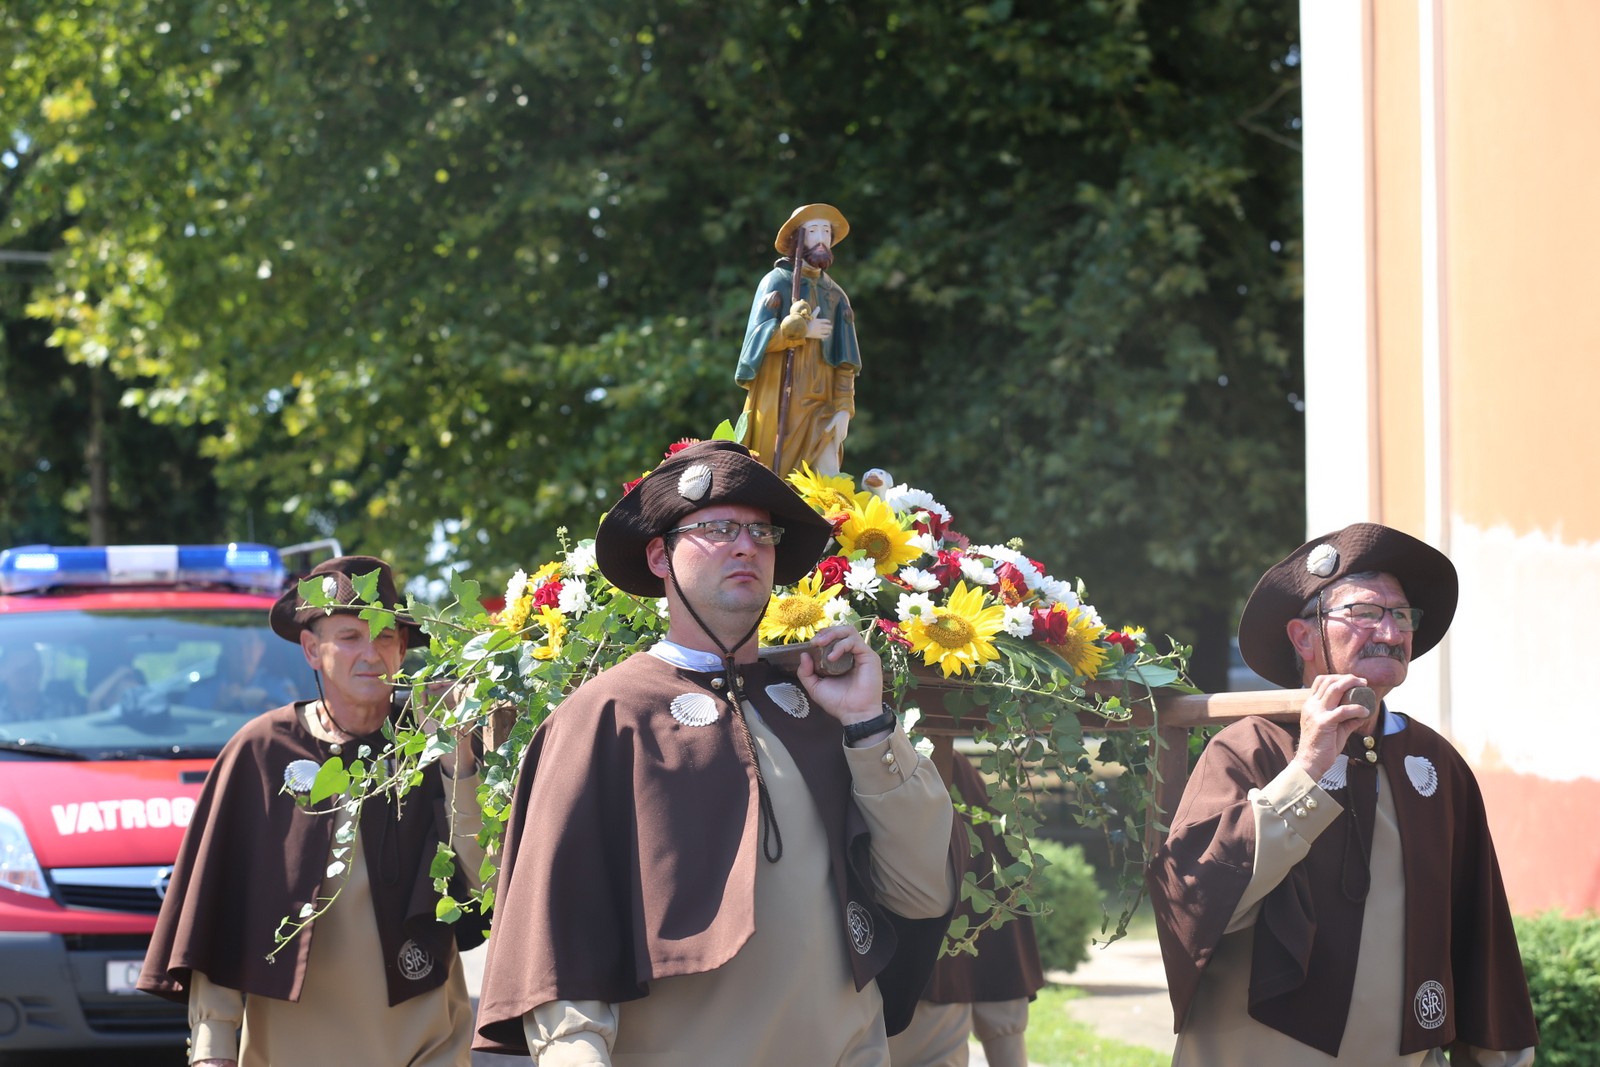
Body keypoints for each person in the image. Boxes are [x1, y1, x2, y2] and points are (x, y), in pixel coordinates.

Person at [473, 439, 961, 1064]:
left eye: (763, 534)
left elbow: (921, 893)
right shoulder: (604, 716)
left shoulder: (825, 707)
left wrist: (868, 724)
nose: (745, 547)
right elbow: (561, 935)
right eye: (718, 528)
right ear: (659, 556)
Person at [1147, 523, 1538, 1065]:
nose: (1390, 630)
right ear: (1304, 637)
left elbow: (1480, 924)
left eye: (1401, 615)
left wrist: (1500, 1056)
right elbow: (1194, 900)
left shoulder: (1436, 761)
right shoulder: (1248, 748)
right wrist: (1308, 766)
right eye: (1364, 613)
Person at [138, 555, 485, 1067]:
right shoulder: (260, 752)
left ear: (405, 649)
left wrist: (460, 758)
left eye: (387, 637)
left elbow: (485, 879)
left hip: (427, 1042)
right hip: (289, 1049)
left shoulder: (439, 741)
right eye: (349, 637)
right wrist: (213, 1047)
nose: (372, 653)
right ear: (310, 649)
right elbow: (219, 908)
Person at [888, 753, 1045, 1067]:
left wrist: (1006, 1035)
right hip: (879, 1006)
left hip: (929, 1005)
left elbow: (988, 880)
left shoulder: (937, 759)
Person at [735, 203, 862, 478]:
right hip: (779, 402)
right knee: (772, 478)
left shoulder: (836, 296)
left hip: (823, 405)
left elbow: (846, 362)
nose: (821, 238)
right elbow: (754, 346)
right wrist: (798, 332)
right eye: (813, 230)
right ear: (797, 238)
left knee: (829, 484)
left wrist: (843, 408)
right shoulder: (776, 283)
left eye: (826, 231)